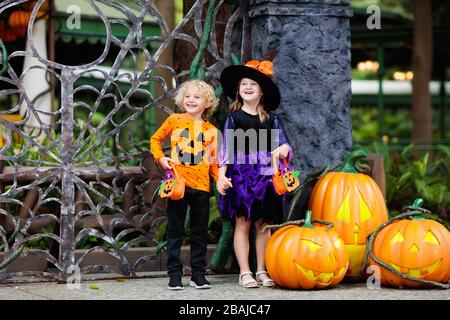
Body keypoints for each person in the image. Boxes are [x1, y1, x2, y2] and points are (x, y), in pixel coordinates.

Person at [216, 58, 292, 288]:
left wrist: (283, 149)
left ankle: (261, 269)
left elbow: (285, 145)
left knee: (263, 225)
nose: (248, 87)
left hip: (266, 177)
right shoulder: (234, 118)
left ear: (261, 92)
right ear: (238, 92)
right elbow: (226, 150)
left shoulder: (271, 119)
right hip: (241, 178)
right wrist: (221, 175)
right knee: (243, 224)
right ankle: (245, 271)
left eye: (253, 84)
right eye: (244, 84)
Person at [150, 79, 231, 290]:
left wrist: (219, 179)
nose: (191, 100)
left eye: (197, 97)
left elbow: (214, 162)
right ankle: (174, 274)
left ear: (207, 103)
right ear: (181, 100)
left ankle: (198, 274)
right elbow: (155, 140)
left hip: (202, 188)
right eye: (187, 96)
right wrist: (161, 159)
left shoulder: (212, 131)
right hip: (178, 185)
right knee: (175, 230)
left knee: (199, 232)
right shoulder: (174, 120)